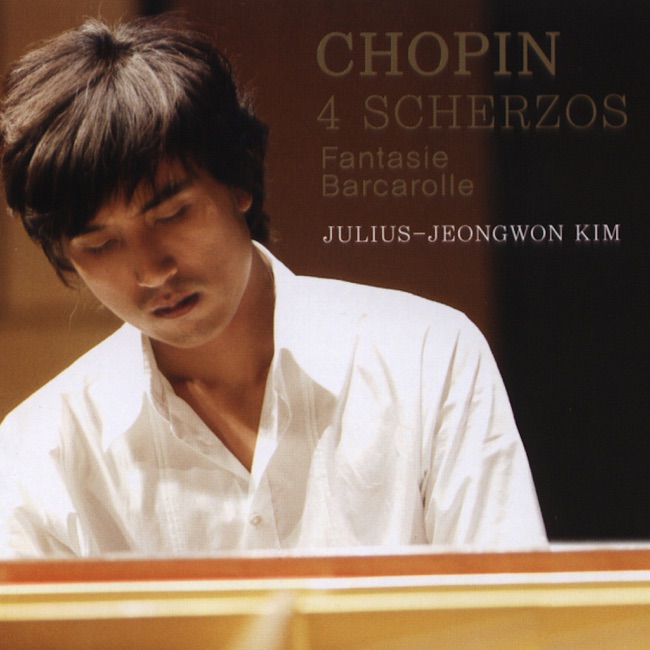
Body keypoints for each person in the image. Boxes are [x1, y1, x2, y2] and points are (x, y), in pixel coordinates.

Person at [0, 15, 546, 558]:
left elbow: (510, 604)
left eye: (171, 214)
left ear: (239, 180)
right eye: (100, 245)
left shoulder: (426, 358)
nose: (151, 270)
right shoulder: (39, 452)